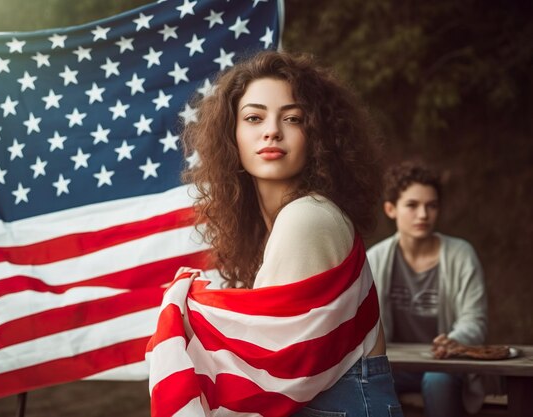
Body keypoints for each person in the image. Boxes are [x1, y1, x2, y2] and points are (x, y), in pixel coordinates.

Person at [147, 51, 402, 416]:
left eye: (293, 118)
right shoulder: (286, 219)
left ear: (317, 135)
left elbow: (267, 370)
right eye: (254, 117)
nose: (271, 130)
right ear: (231, 134)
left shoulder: (307, 218)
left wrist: (185, 310)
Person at [367, 162, 488, 416]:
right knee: (365, 380)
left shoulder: (461, 254)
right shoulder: (375, 259)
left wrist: (454, 342)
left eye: (431, 206)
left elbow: (474, 320)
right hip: (395, 365)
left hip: (446, 364)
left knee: (437, 379)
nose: (423, 214)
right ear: (391, 209)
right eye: (412, 205)